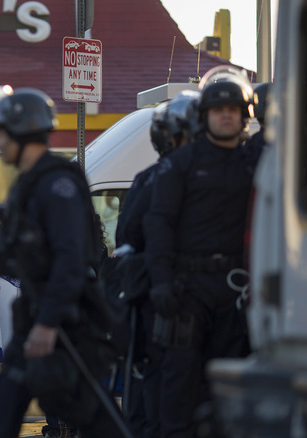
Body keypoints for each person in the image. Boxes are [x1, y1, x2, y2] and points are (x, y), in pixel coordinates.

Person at [0, 87, 126, 438]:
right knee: (1, 409)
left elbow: (71, 262)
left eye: (2, 134)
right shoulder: (30, 184)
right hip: (39, 319)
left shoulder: (57, 184)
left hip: (65, 325)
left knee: (91, 415)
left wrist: (48, 325)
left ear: (23, 133)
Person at [143, 66, 256, 438]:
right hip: (187, 291)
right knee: (180, 386)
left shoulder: (258, 163)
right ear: (204, 115)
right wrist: (162, 282)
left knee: (234, 386)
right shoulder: (180, 164)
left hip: (239, 292)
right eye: (217, 109)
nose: (225, 115)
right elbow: (158, 224)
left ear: (245, 115)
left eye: (233, 109)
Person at [113, 91, 202, 438]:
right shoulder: (161, 178)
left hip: (164, 298)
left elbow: (125, 237)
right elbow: (130, 240)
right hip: (162, 301)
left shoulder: (148, 178)